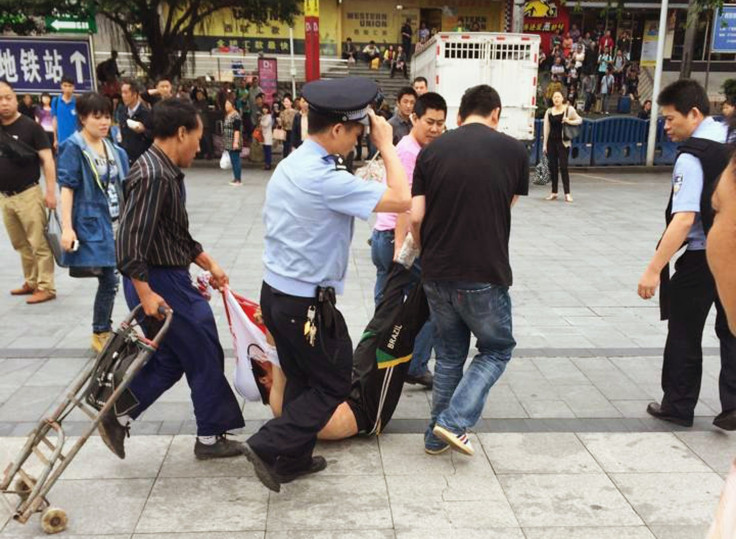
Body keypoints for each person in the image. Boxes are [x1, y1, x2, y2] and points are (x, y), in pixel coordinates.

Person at [242, 77, 410, 492]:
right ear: (337, 130)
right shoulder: (326, 179)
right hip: (305, 305)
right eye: (356, 132)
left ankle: (293, 458)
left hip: (277, 293)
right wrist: (388, 145)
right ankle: (268, 445)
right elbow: (403, 199)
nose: (358, 140)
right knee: (335, 382)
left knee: (301, 378)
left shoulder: (295, 162)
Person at [107, 98, 246, 460]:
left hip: (163, 275)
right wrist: (145, 293)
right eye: (197, 138)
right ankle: (211, 436)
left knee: (172, 357)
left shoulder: (162, 170)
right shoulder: (153, 175)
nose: (199, 147)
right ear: (181, 133)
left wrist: (207, 262)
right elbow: (129, 240)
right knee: (202, 345)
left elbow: (171, 233)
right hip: (157, 281)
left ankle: (119, 411)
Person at [410, 84, 528, 456]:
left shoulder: (431, 152)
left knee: (448, 355)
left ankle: (434, 436)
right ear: (496, 114)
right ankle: (452, 421)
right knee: (496, 350)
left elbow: (416, 216)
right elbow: (507, 203)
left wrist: (427, 252)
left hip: (436, 272)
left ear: (459, 116)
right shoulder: (514, 151)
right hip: (483, 270)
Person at [637, 79, 736, 431]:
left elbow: (684, 219)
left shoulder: (693, 156)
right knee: (732, 328)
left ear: (694, 113)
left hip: (703, 257)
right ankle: (733, 404)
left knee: (684, 329)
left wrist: (653, 269)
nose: (666, 127)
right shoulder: (731, 140)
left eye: (669, 119)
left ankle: (678, 405)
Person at [371, 92, 448, 389]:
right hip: (396, 240)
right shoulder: (410, 152)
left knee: (386, 306)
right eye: (429, 122)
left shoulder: (411, 146)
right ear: (414, 118)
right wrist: (401, 248)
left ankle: (378, 360)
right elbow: (406, 203)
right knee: (432, 301)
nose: (435, 129)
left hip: (385, 236)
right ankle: (415, 364)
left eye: (440, 124)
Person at [57, 93, 129, 352]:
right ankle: (100, 331)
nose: (103, 122)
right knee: (110, 278)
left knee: (113, 277)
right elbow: (67, 187)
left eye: (107, 116)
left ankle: (103, 329)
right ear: (83, 117)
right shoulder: (74, 146)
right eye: (97, 117)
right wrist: (67, 227)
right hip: (91, 222)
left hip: (115, 220)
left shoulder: (112, 147)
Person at [0, 80, 57, 304]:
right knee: (20, 243)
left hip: (29, 194)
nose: (4, 103)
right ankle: (31, 281)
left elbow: (47, 160)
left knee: (38, 243)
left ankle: (46, 286)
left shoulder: (31, 127)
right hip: (5, 197)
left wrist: (51, 192)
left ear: (16, 99)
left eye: (8, 98)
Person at [543, 90, 583, 203]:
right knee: (553, 167)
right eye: (554, 97)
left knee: (564, 167)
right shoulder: (549, 111)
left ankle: (567, 193)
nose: (556, 99)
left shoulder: (568, 109)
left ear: (562, 98)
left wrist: (568, 121)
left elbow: (579, 120)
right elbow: (546, 129)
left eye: (558, 97)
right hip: (551, 142)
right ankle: (554, 192)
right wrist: (544, 144)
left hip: (563, 142)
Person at [119, 80, 153, 165]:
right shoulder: (123, 111)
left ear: (135, 94)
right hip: (126, 158)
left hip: (142, 160)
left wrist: (143, 130)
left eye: (126, 93)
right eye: (122, 93)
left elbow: (155, 135)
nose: (123, 96)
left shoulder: (146, 113)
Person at [52, 76, 77, 151]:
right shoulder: (55, 101)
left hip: (76, 142)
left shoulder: (78, 102)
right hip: (61, 141)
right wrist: (55, 139)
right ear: (61, 87)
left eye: (70, 86)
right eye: (65, 86)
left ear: (73, 87)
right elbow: (54, 120)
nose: (67, 89)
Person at [223, 97, 243, 185]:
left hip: (234, 140)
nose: (226, 106)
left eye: (228, 104)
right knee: (233, 159)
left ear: (233, 106)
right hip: (228, 141)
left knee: (236, 160)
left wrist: (235, 142)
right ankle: (235, 178)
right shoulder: (228, 115)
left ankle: (238, 179)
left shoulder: (236, 116)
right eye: (225, 104)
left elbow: (237, 130)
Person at [260, 103, 273, 170]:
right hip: (263, 136)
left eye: (266, 108)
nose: (264, 110)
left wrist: (260, 121)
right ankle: (266, 163)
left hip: (267, 135)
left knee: (268, 151)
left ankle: (268, 164)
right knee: (265, 151)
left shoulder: (269, 116)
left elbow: (265, 124)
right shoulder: (263, 116)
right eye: (263, 108)